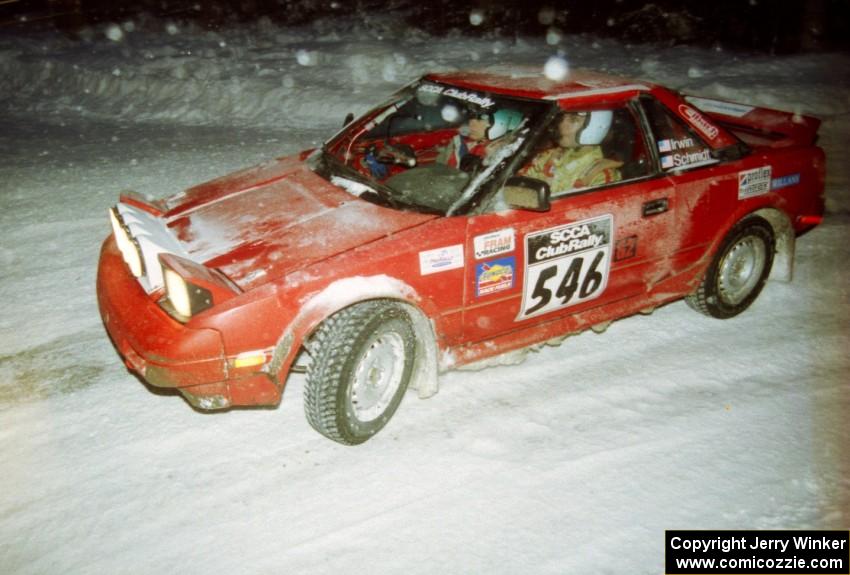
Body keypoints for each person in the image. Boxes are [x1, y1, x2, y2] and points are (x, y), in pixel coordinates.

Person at [522, 110, 622, 192]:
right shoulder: (549, 156)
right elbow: (518, 183)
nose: (561, 124)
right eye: (562, 118)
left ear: (595, 128)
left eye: (573, 120)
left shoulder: (602, 176)